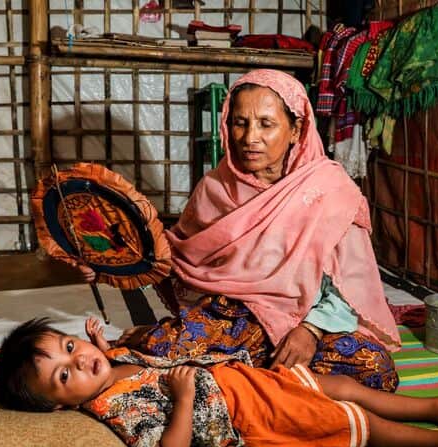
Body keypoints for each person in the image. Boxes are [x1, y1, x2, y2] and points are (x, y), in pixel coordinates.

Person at [75, 69, 402, 393]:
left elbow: (349, 287)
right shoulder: (215, 188)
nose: (249, 138)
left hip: (305, 319)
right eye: (239, 123)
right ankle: (242, 373)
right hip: (231, 318)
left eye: (266, 124)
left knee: (375, 369)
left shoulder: (331, 190)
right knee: (175, 348)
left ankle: (234, 372)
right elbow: (177, 258)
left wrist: (310, 331)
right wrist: (110, 266)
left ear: (295, 129)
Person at [0, 316, 438, 447]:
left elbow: (125, 360)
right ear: (63, 404)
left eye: (68, 346)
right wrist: (185, 400)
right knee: (350, 421)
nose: (79, 360)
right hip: (246, 410)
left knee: (344, 384)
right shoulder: (112, 407)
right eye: (64, 374)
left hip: (247, 378)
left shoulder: (105, 365)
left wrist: (104, 345)